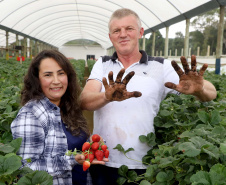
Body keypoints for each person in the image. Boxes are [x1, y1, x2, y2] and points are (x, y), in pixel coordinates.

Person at [80, 8, 217, 185]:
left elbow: (211, 93)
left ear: (140, 32)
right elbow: (84, 100)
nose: (123, 34)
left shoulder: (161, 66)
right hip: (103, 160)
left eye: (129, 28)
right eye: (117, 30)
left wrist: (199, 89)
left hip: (145, 164)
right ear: (110, 36)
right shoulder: (103, 64)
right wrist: (107, 97)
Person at [10, 49, 108, 185]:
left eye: (61, 73)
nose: (56, 81)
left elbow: (74, 143)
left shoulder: (69, 106)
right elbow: (26, 168)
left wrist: (91, 144)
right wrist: (73, 160)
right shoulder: (31, 114)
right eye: (48, 75)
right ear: (37, 79)